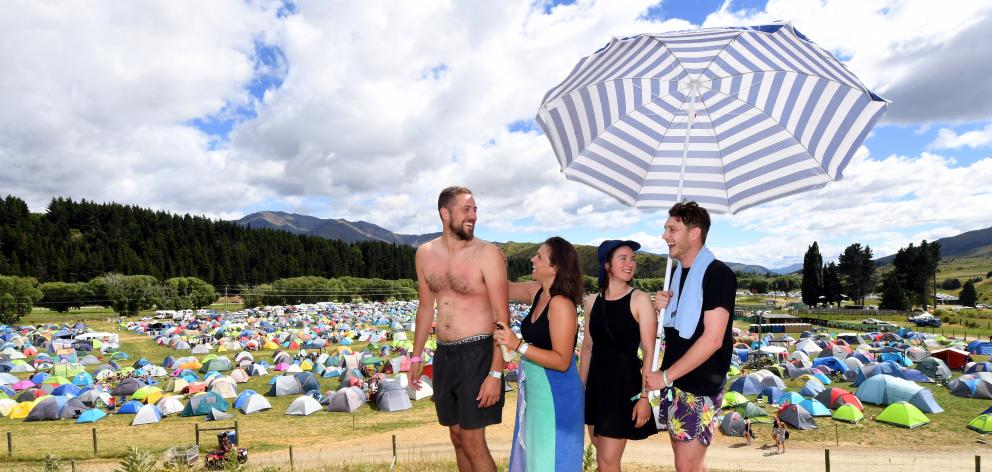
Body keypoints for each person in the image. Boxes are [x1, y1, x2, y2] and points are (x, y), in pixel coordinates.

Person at [408, 186, 508, 472]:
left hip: (479, 353)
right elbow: (426, 309)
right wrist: (416, 358)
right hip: (444, 355)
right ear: (445, 212)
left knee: (473, 440)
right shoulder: (424, 254)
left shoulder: (488, 254)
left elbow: (503, 318)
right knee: (456, 437)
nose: (473, 216)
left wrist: (496, 372)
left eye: (475, 210)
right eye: (467, 209)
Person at [645, 201, 737, 472]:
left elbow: (713, 339)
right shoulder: (677, 275)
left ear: (694, 233)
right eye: (665, 229)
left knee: (687, 465)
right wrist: (659, 306)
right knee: (689, 465)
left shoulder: (718, 274)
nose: (665, 236)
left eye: (672, 229)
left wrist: (664, 376)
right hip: (676, 384)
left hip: (699, 387)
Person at [494, 237, 585, 471]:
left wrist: (518, 345)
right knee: (536, 458)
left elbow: (563, 360)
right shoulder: (537, 292)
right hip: (536, 391)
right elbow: (503, 286)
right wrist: (496, 262)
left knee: (553, 460)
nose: (532, 259)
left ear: (555, 267)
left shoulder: (561, 304)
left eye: (539, 256)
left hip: (557, 395)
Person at [579, 240, 658, 472]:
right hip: (595, 386)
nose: (630, 263)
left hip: (623, 387)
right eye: (623, 258)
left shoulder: (640, 299)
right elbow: (587, 348)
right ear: (606, 265)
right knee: (601, 451)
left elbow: (650, 351)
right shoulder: (591, 302)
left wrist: (645, 398)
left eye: (632, 259)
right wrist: (580, 389)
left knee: (607, 461)